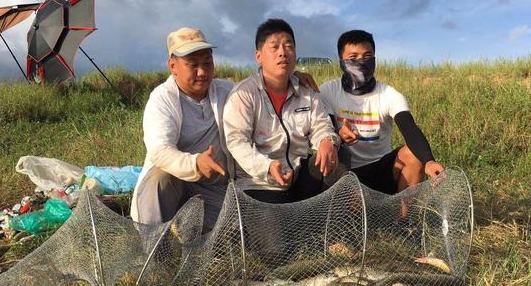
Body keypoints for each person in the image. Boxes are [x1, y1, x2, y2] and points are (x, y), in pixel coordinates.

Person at [131, 26, 323, 228]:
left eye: (207, 62)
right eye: (192, 64)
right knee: (160, 178)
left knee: (229, 239)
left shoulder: (227, 91)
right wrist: (196, 164)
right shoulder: (162, 99)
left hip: (217, 188)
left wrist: (291, 77)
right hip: (177, 183)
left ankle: (195, 229)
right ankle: (154, 244)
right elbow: (160, 151)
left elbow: (260, 85)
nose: (202, 72)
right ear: (173, 65)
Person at [223, 18, 341, 203]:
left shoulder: (307, 90)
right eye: (274, 47)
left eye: (288, 46)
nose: (283, 53)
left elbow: (321, 125)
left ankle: (336, 224)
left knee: (336, 160)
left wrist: (327, 140)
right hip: (258, 184)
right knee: (280, 231)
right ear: (258, 56)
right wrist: (267, 166)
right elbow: (237, 142)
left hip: (299, 177)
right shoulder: (244, 94)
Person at [319, 29, 444, 195]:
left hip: (382, 168)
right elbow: (322, 128)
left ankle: (404, 218)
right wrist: (339, 135)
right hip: (345, 171)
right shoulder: (328, 91)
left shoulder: (389, 94)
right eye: (353, 58)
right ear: (341, 61)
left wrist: (428, 161)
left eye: (367, 56)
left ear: (375, 59)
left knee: (413, 155)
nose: (361, 62)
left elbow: (409, 128)